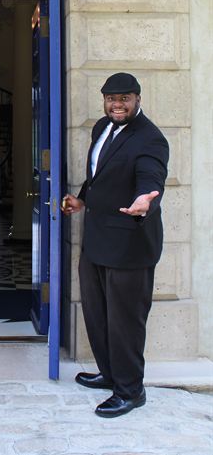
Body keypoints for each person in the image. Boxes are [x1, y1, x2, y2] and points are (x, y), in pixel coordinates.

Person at [61, 72, 169, 418]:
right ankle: (110, 374)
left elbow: (151, 176)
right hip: (96, 240)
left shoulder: (150, 138)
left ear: (138, 99)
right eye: (111, 99)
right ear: (104, 100)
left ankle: (130, 391)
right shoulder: (101, 128)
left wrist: (146, 200)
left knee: (126, 322)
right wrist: (82, 200)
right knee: (97, 315)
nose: (117, 105)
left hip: (129, 245)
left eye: (124, 99)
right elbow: (97, 176)